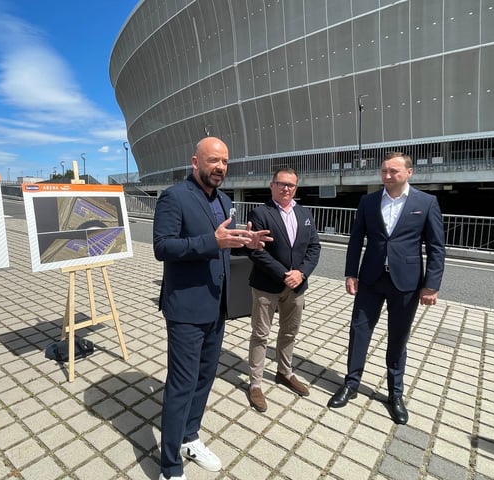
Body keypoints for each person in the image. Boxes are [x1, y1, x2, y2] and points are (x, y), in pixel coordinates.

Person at [153, 136, 272, 480]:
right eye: (213, 160)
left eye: (224, 162)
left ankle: (190, 437)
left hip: (216, 306)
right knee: (182, 383)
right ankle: (170, 467)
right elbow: (162, 247)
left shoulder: (222, 199)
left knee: (205, 379)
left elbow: (222, 242)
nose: (220, 167)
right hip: (186, 310)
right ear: (195, 162)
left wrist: (244, 243)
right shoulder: (174, 197)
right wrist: (212, 242)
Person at [328, 151, 445, 425]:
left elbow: (437, 248)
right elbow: (356, 239)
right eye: (384, 171)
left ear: (409, 172)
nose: (388, 176)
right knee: (358, 331)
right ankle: (351, 383)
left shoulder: (426, 203)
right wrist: (350, 273)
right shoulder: (368, 201)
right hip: (370, 279)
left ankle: (395, 393)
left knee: (398, 338)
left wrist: (431, 285)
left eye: (394, 171)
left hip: (406, 283)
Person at [245, 168, 321, 412]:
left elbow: (314, 248)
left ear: (296, 188)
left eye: (291, 185)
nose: (286, 188)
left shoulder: (305, 214)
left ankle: (284, 372)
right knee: (260, 335)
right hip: (267, 286)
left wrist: (302, 273)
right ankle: (255, 383)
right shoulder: (260, 213)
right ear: (272, 185)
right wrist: (284, 274)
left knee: (289, 332)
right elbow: (256, 251)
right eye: (281, 184)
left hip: (297, 287)